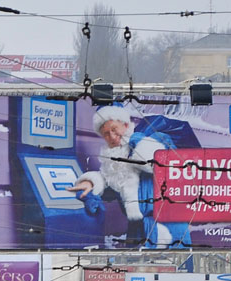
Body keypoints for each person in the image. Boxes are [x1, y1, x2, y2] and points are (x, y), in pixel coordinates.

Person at [66, 105, 192, 249]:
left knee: (173, 269)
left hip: (168, 226)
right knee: (137, 270)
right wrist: (91, 182)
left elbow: (156, 164)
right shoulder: (112, 159)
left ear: (125, 124)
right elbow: (110, 186)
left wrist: (138, 141)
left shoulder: (155, 138)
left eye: (114, 129)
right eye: (106, 133)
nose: (112, 137)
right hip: (137, 230)